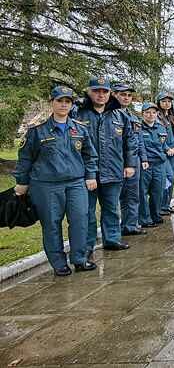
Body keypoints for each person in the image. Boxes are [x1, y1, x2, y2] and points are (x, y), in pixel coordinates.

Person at [14, 86, 98, 275]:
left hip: (76, 183)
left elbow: (90, 155)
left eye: (67, 102)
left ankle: (79, 259)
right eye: (59, 101)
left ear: (71, 105)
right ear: (52, 102)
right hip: (46, 185)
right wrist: (22, 182)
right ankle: (59, 264)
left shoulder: (80, 129)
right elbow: (25, 158)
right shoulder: (37, 131)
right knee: (51, 224)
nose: (63, 105)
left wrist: (91, 175)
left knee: (80, 221)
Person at [73, 76, 135, 253]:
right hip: (86, 173)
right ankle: (87, 245)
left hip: (113, 170)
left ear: (110, 94)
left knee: (111, 209)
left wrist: (130, 164)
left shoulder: (120, 115)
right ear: (89, 92)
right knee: (87, 212)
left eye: (104, 91)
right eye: (96, 91)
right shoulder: (78, 114)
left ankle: (112, 239)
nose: (100, 95)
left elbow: (130, 142)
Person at [112, 83, 149, 235]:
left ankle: (130, 225)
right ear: (114, 95)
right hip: (115, 161)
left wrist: (144, 158)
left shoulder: (133, 118)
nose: (126, 98)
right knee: (114, 198)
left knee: (133, 195)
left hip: (134, 162)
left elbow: (139, 141)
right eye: (122, 94)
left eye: (129, 95)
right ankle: (114, 231)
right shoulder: (109, 115)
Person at [139, 102, 169, 227]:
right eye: (147, 112)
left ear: (157, 114)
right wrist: (144, 159)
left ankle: (155, 215)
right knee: (143, 192)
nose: (151, 115)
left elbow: (163, 144)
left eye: (153, 112)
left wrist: (168, 149)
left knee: (158, 191)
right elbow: (139, 146)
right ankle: (145, 219)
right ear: (142, 114)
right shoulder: (138, 128)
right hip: (145, 165)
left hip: (159, 164)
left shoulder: (161, 127)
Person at [156, 92, 174, 215]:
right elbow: (158, 136)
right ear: (159, 103)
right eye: (163, 101)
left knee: (171, 179)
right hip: (163, 153)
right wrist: (167, 149)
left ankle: (166, 205)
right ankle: (161, 206)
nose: (166, 104)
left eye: (169, 101)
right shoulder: (156, 118)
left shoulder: (173, 117)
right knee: (167, 178)